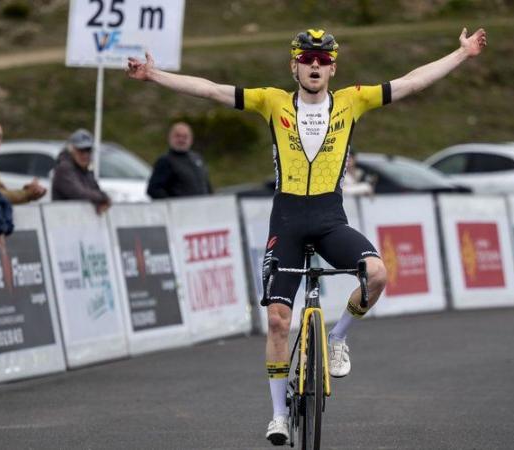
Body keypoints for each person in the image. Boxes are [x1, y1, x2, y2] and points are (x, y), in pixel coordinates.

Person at [127, 26, 486, 445]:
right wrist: (155, 75)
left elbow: (410, 82)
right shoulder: (271, 101)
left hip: (330, 218)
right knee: (279, 321)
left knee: (377, 275)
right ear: (294, 65)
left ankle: (336, 339)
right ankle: (279, 414)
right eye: (307, 58)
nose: (315, 65)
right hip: (287, 220)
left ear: (333, 68)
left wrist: (460, 55)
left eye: (324, 60)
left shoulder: (353, 100)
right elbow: (210, 90)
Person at [51, 129, 111, 214]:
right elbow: (79, 194)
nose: (85, 155)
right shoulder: (64, 169)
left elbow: (96, 191)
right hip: (64, 221)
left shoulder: (86, 170)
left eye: (88, 150)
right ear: (71, 150)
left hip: (80, 221)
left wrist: (102, 200)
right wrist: (103, 197)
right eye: (81, 150)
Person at [147, 122, 213, 198]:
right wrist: (174, 204)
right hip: (181, 208)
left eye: (185, 137)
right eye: (177, 136)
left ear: (191, 139)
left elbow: (206, 185)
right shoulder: (165, 161)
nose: (181, 140)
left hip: (202, 207)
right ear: (170, 138)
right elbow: (153, 189)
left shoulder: (197, 158)